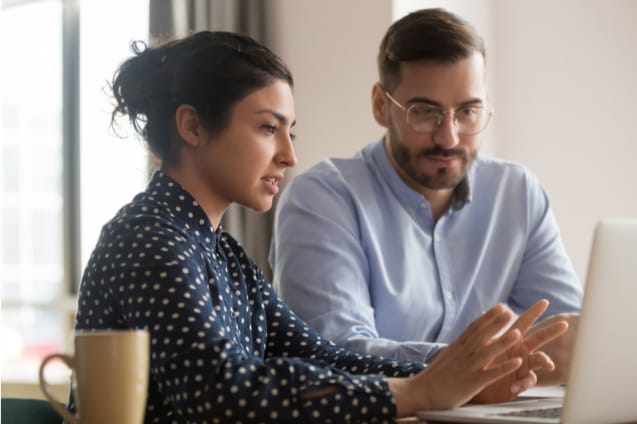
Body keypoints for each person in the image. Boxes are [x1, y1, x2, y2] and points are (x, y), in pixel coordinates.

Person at [70, 30, 568, 422]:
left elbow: (325, 358)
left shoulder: (223, 254)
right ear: (193, 126)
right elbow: (220, 394)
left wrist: (461, 376)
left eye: (291, 131)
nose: (289, 155)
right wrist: (421, 390)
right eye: (269, 128)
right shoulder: (149, 238)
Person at [269, 8, 582, 386]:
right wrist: (476, 365)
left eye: (467, 112)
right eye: (425, 112)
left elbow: (571, 340)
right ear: (381, 106)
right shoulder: (321, 199)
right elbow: (335, 354)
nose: (448, 137)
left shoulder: (517, 193)